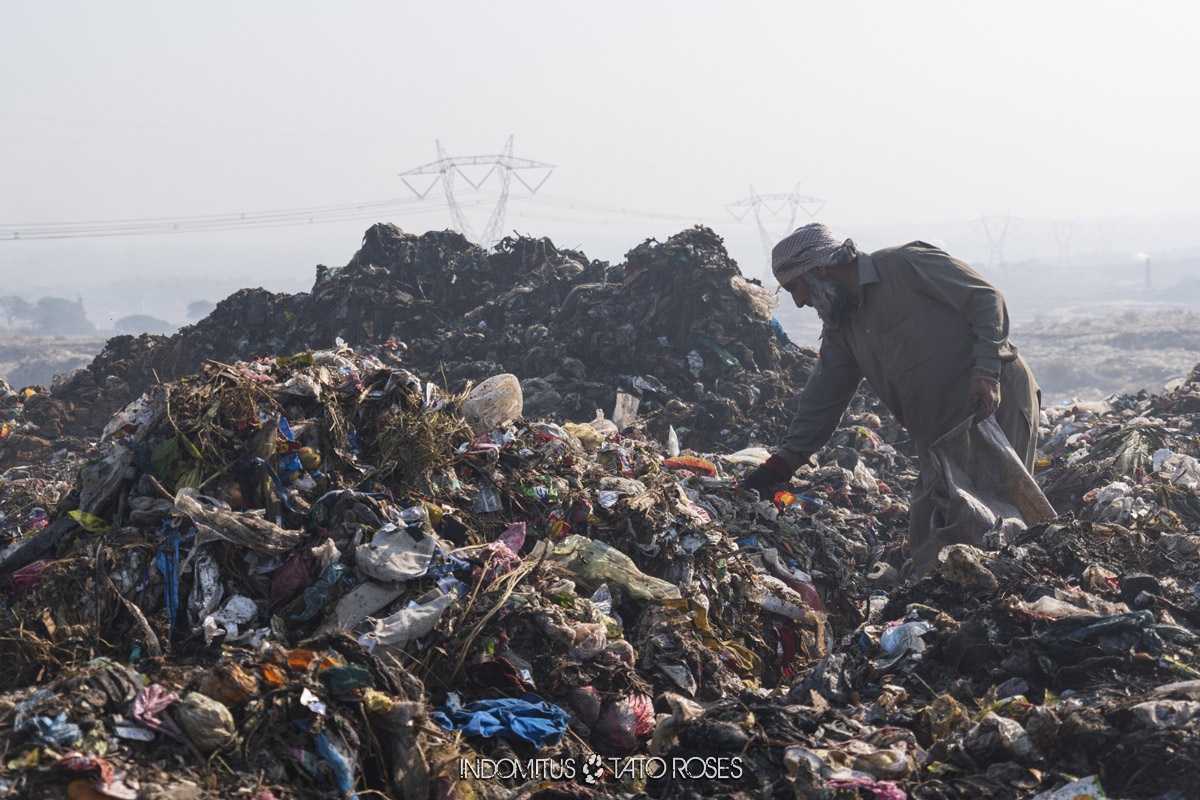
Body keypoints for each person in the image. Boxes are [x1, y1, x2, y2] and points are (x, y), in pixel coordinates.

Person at [740, 223, 1041, 574]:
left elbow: (987, 300)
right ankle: (937, 615)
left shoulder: (905, 265)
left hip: (992, 406)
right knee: (929, 537)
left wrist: (986, 372)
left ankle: (1010, 604)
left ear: (820, 268)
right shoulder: (842, 325)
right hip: (938, 432)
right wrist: (781, 464)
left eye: (796, 287)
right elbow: (824, 397)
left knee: (1002, 519)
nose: (800, 301)